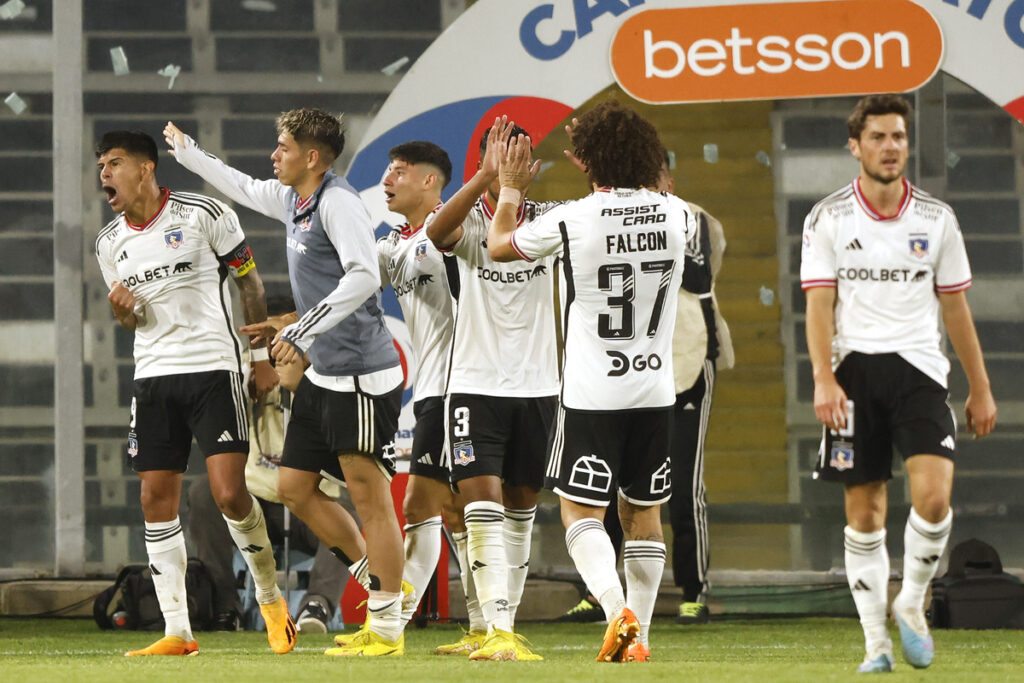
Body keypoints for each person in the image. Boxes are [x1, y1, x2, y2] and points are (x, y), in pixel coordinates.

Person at [164, 109, 408, 657]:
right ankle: (385, 586)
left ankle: (388, 626)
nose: (274, 156)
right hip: (326, 374)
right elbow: (245, 187)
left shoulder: (339, 203)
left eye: (283, 147)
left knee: (371, 500)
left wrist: (301, 328)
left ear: (312, 157)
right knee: (297, 489)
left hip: (361, 376)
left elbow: (365, 275)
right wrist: (189, 154)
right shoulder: (297, 199)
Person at [487, 101, 696, 663]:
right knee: (643, 514)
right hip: (655, 389)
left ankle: (614, 609)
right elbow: (660, 191)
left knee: (581, 513)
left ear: (585, 162)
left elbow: (498, 246)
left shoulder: (574, 218)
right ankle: (641, 638)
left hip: (592, 393)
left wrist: (509, 187)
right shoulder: (679, 215)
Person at [801, 93, 997, 673]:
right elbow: (818, 306)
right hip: (851, 376)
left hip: (919, 373)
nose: (891, 147)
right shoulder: (828, 216)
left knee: (934, 499)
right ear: (855, 146)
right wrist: (822, 380)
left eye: (899, 137)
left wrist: (980, 387)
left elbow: (957, 309)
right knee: (864, 512)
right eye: (879, 137)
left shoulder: (937, 219)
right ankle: (875, 645)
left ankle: (910, 600)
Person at [94, 130, 295, 657]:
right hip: (153, 376)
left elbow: (249, 283)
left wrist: (259, 360)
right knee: (154, 498)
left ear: (145, 169)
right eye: (101, 166)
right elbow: (131, 320)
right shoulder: (108, 244)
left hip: (213, 369)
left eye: (114, 163)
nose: (104, 174)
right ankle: (178, 631)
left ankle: (271, 600)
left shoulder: (204, 213)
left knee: (229, 493)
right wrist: (122, 314)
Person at [424, 119, 562, 661]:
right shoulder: (468, 222)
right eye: (497, 152)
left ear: (532, 163)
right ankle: (497, 632)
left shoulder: (549, 220)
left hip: (539, 385)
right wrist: (485, 180)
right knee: (481, 505)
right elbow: (435, 235)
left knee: (523, 505)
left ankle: (501, 628)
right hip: (475, 384)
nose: (508, 161)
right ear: (482, 160)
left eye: (517, 152)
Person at [188, 298, 349, 635]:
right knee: (204, 493)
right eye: (267, 338)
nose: (277, 346)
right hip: (253, 498)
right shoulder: (245, 368)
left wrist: (301, 378)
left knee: (349, 507)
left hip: (308, 502)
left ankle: (316, 606)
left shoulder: (325, 367)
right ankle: (224, 608)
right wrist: (252, 375)